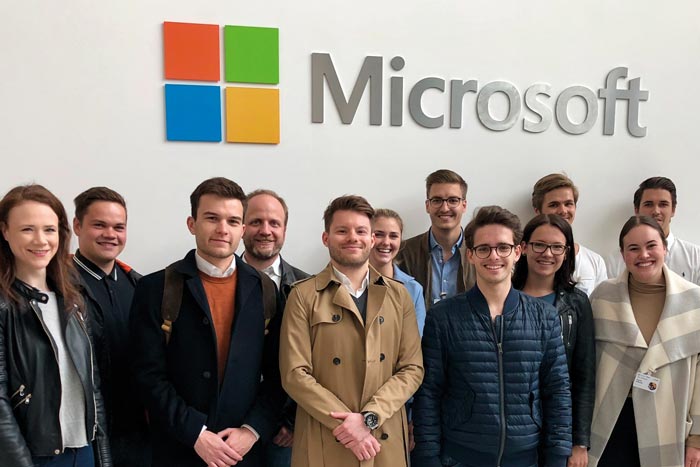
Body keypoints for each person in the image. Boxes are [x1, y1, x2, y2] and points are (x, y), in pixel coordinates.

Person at [129, 177, 285, 467]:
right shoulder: (155, 289)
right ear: (192, 224)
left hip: (243, 453)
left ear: (242, 229)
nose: (223, 229)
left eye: (233, 221)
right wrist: (195, 433)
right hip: (178, 450)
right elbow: (147, 375)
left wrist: (251, 431)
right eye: (212, 218)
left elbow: (278, 375)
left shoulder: (265, 290)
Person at [412, 206, 572, 467]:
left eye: (503, 248)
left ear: (518, 251)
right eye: (484, 249)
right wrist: (427, 457)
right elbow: (428, 393)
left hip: (526, 458)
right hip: (461, 457)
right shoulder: (443, 317)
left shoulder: (544, 316)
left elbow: (558, 391)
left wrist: (557, 456)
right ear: (471, 255)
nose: (494, 256)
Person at [280, 195, 424, 467]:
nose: (352, 238)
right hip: (326, 436)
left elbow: (412, 368)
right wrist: (347, 426)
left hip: (383, 435)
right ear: (326, 238)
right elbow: (294, 374)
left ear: (371, 239)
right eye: (342, 231)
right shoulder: (302, 296)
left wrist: (369, 418)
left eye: (361, 231)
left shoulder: (399, 296)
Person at [0, 184, 111, 467]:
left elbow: (93, 388)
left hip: (83, 452)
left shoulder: (73, 299)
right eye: (27, 229)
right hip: (33, 456)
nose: (41, 240)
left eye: (49, 229)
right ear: (4, 231)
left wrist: (103, 457)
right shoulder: (4, 305)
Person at [589, 216, 700, 467]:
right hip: (609, 423)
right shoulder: (602, 296)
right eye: (633, 248)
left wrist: (697, 439)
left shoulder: (694, 301)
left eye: (651, 246)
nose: (644, 255)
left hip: (668, 423)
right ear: (622, 254)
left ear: (665, 248)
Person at [72, 187, 149, 466]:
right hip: (87, 434)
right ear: (77, 226)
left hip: (139, 433)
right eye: (99, 225)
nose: (110, 234)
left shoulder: (139, 286)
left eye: (119, 227)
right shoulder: (59, 287)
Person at [512, 214, 595, 467]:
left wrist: (579, 442)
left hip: (559, 425)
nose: (547, 253)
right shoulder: (505, 296)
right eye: (539, 245)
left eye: (557, 247)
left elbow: (584, 376)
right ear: (523, 248)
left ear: (566, 252)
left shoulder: (577, 302)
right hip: (513, 424)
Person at [242, 189, 310, 467]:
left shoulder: (308, 288)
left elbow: (318, 361)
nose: (265, 230)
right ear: (242, 225)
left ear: (284, 229)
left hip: (285, 433)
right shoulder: (216, 284)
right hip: (229, 427)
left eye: (274, 223)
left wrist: (294, 421)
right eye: (256, 222)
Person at [395, 169, 475, 310]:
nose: (445, 208)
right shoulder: (404, 252)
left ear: (464, 205)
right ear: (428, 206)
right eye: (437, 200)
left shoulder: (480, 252)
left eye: (453, 200)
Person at [606, 177, 700, 285]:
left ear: (673, 210)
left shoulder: (695, 257)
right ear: (636, 210)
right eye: (648, 204)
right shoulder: (616, 260)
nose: (656, 211)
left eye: (663, 204)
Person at [532, 173, 607, 296]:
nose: (563, 211)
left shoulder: (595, 261)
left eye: (568, 204)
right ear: (537, 211)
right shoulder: (526, 257)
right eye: (554, 205)